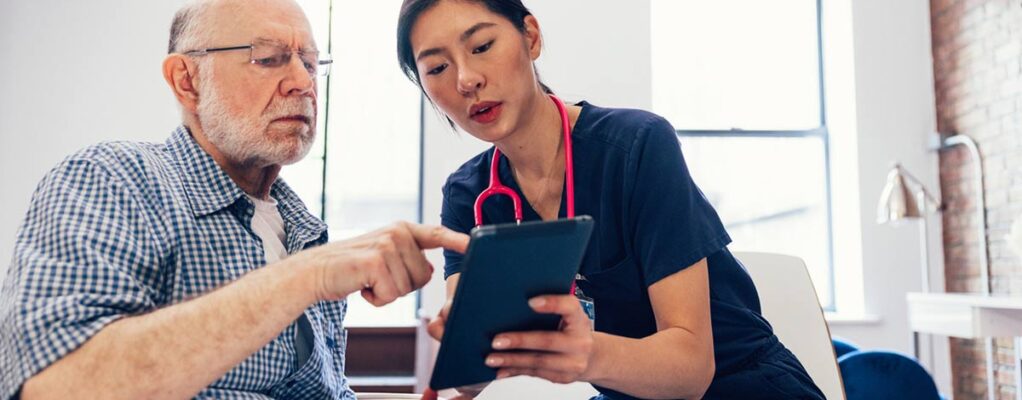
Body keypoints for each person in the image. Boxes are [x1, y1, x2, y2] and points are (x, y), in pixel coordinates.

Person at [0, 0, 469, 399]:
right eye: (267, 58)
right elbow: (52, 386)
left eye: (310, 63)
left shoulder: (303, 228)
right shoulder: (112, 179)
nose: (303, 83)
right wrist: (307, 277)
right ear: (186, 80)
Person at [396, 1, 826, 399]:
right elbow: (475, 377)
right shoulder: (467, 196)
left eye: (483, 46)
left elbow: (693, 370)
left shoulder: (637, 145)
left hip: (743, 385)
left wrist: (587, 355)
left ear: (531, 37)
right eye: (436, 68)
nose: (466, 79)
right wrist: (465, 345)